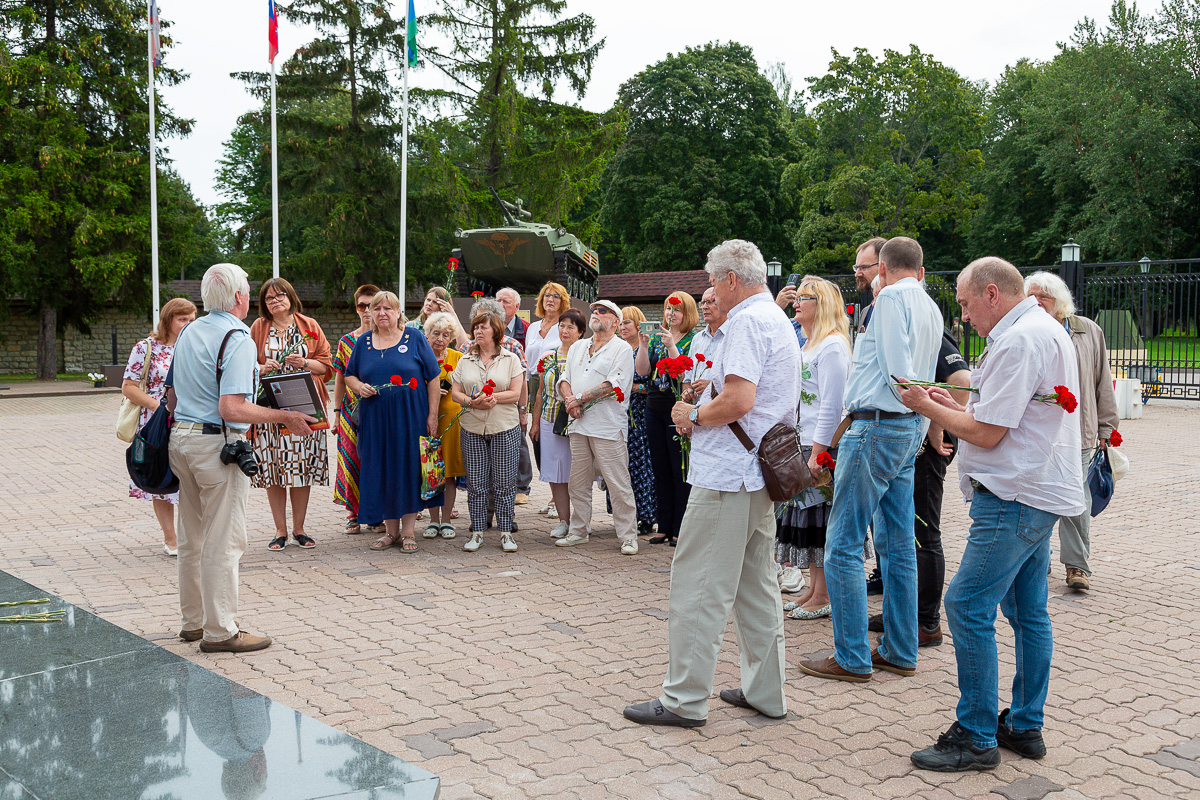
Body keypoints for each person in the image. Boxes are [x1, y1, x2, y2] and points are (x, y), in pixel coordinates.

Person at [899, 257, 1084, 771]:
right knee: (1027, 613)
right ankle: (1024, 725)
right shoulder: (1037, 329)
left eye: (963, 303)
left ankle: (976, 734)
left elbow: (987, 432)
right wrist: (946, 398)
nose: (962, 316)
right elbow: (994, 407)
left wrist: (926, 406)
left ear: (991, 294)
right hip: (1032, 491)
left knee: (966, 606)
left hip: (1013, 494)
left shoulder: (1023, 337)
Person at [623, 239, 801, 727]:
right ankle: (766, 692)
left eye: (711, 280)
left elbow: (740, 400)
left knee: (699, 588)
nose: (709, 291)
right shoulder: (774, 320)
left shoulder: (745, 323)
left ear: (731, 280)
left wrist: (693, 412)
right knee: (756, 590)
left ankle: (684, 699)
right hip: (755, 474)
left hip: (729, 475)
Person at [797, 236, 942, 684]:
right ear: (918, 268)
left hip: (878, 425)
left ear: (883, 267)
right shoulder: (930, 305)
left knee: (841, 543)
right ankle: (900, 648)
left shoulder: (891, 300)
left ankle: (852, 655)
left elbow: (901, 375)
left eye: (868, 268)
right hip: (905, 429)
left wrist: (900, 402)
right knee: (897, 545)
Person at [166, 262, 317, 653]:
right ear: (238, 296)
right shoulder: (237, 337)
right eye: (248, 287)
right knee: (223, 541)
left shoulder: (189, 331)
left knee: (192, 538)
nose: (251, 292)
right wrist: (286, 415)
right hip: (216, 446)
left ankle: (193, 623)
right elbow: (232, 407)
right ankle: (221, 632)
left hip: (181, 441)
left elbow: (171, 397)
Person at [869, 328, 971, 644]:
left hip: (926, 448)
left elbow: (961, 380)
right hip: (910, 443)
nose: (859, 274)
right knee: (904, 532)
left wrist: (936, 426)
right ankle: (901, 613)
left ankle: (926, 623)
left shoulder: (926, 331)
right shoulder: (901, 331)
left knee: (923, 532)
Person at [1025, 271, 1119, 592]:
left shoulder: (1087, 331)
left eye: (1043, 297)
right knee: (1039, 497)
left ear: (1060, 300)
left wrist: (1107, 428)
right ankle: (1039, 559)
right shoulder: (1025, 331)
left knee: (1075, 497)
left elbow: (1102, 383)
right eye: (1031, 296)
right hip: (1038, 433)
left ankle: (1077, 566)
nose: (1036, 302)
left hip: (1079, 432)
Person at [343, 291, 442, 554]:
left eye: (388, 308)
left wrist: (432, 415)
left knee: (407, 468)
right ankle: (391, 531)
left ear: (398, 312)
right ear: (370, 314)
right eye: (376, 309)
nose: (382, 313)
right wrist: (359, 387)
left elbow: (433, 377)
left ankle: (408, 531)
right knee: (381, 468)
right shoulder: (363, 342)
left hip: (410, 416)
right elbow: (349, 375)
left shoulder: (415, 338)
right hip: (374, 418)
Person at [776, 279, 851, 620]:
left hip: (820, 445)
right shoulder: (808, 344)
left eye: (804, 297)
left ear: (822, 303)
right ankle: (813, 587)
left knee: (820, 520)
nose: (796, 301)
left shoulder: (832, 346)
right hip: (803, 440)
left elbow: (832, 406)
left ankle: (824, 593)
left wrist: (818, 453)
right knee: (806, 519)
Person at [248, 278, 333, 552]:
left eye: (280, 295)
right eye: (269, 298)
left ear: (290, 297)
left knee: (301, 468)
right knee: (273, 468)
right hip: (271, 409)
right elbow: (244, 363)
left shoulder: (309, 326)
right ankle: (280, 530)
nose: (275, 301)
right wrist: (261, 367)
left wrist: (305, 362)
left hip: (304, 406)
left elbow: (328, 365)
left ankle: (299, 529)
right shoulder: (258, 328)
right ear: (264, 304)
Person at [556, 300, 638, 554]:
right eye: (594, 311)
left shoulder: (622, 349)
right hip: (579, 424)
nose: (596, 314)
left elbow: (614, 385)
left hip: (607, 426)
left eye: (603, 311)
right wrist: (571, 400)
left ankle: (628, 536)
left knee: (617, 482)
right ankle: (579, 531)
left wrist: (579, 399)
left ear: (615, 320)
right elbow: (564, 378)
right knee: (577, 482)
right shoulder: (578, 346)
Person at [122, 297, 197, 556]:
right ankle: (171, 538)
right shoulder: (146, 347)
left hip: (190, 418)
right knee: (161, 477)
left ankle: (192, 536)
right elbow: (128, 387)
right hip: (157, 421)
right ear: (168, 320)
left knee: (190, 478)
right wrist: (159, 408)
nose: (189, 323)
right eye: (182, 319)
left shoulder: (196, 346)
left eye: (192, 318)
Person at [451, 309, 526, 553]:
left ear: (495, 330)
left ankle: (506, 533)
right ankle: (477, 532)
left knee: (504, 482)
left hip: (504, 426)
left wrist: (491, 397)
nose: (477, 331)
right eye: (475, 327)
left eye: (483, 327)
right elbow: (456, 393)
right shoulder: (465, 360)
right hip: (472, 427)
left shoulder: (511, 359)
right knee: (476, 483)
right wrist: (473, 402)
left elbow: (516, 393)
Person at [635, 290, 699, 546]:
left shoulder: (692, 339)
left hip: (676, 406)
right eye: (668, 310)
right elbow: (642, 371)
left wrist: (672, 345)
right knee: (659, 467)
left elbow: (684, 373)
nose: (671, 315)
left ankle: (679, 527)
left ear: (687, 314)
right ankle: (664, 525)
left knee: (678, 468)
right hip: (654, 406)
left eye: (677, 310)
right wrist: (642, 344)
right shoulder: (655, 339)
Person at [530, 308, 586, 540]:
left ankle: (582, 521)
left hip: (580, 421)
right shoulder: (548, 357)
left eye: (570, 327)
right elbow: (540, 393)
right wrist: (535, 423)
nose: (564, 330)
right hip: (550, 419)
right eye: (561, 326)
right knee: (556, 473)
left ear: (581, 332)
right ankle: (564, 521)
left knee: (579, 473)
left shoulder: (586, 355)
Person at [331, 284, 381, 535]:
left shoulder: (386, 339)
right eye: (362, 305)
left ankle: (374, 513)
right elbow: (340, 378)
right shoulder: (347, 341)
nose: (366, 310)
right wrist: (337, 413)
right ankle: (353, 513)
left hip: (380, 409)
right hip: (352, 411)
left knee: (375, 461)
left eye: (371, 305)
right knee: (351, 461)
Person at [421, 311, 468, 540]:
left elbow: (465, 387)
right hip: (428, 421)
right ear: (427, 335)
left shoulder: (458, 358)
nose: (440, 338)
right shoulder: (421, 356)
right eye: (435, 333)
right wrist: (428, 392)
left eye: (445, 334)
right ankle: (432, 521)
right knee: (432, 470)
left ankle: (447, 520)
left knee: (449, 473)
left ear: (451, 337)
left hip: (452, 422)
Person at [525, 282, 568, 514]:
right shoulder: (533, 327)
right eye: (546, 296)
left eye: (555, 296)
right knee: (537, 436)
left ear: (563, 301)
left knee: (555, 438)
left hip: (554, 381)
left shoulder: (564, 326)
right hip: (533, 381)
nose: (550, 299)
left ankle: (558, 499)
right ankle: (554, 493)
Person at [617, 306, 657, 535]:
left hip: (640, 414)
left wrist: (631, 387)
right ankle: (625, 514)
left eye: (627, 323)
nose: (623, 327)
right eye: (620, 323)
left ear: (638, 326)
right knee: (623, 466)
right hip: (620, 413)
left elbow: (649, 384)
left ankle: (646, 515)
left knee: (642, 465)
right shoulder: (617, 349)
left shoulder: (647, 348)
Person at [497, 288, 533, 505]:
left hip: (518, 389)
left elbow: (524, 372)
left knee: (519, 439)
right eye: (498, 300)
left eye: (506, 301)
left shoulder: (526, 330)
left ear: (517, 307)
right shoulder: (486, 327)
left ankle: (522, 486)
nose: (501, 304)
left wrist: (523, 407)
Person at [853, 237, 885, 333]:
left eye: (864, 267)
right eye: (857, 268)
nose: (857, 274)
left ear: (882, 266)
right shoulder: (865, 312)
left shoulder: (897, 308)